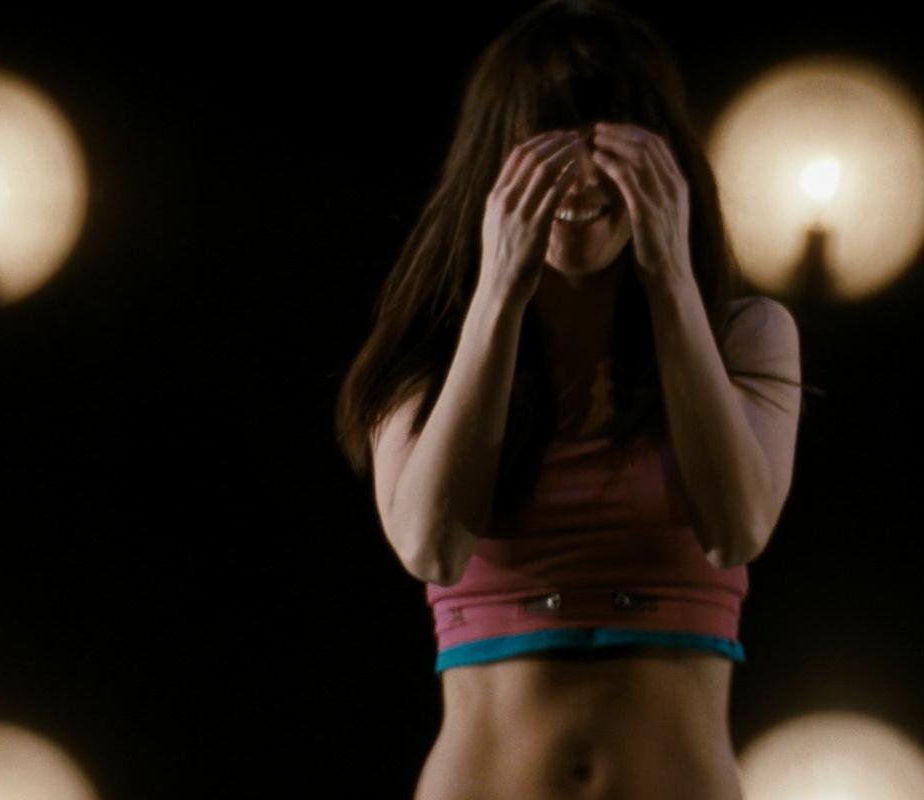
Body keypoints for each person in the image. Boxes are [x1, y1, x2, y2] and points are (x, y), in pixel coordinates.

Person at [332, 1, 808, 797]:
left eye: (609, 145)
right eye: (548, 146)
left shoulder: (745, 335)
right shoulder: (428, 352)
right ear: (494, 163)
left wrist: (671, 277)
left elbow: (737, 528)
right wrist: (498, 292)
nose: (583, 180)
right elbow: (430, 545)